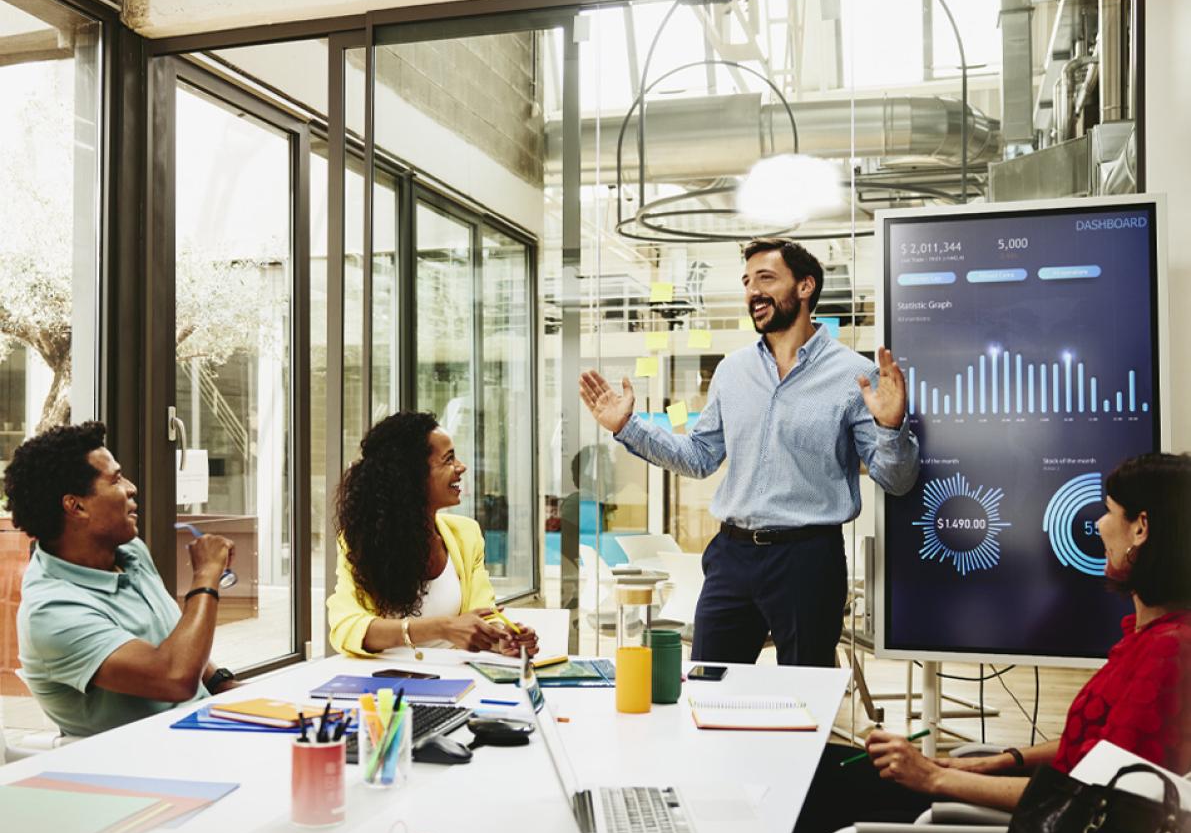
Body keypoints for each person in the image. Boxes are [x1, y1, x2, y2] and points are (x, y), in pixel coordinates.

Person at [764, 452, 1191, 833]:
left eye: (1108, 511)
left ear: (1141, 529)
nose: (1097, 525)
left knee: (818, 801)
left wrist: (938, 778)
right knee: (821, 771)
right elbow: (1096, 748)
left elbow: (1099, 807)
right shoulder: (1154, 638)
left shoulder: (1170, 655)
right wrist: (1000, 761)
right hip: (1044, 831)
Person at [580, 238, 920, 667]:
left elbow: (899, 479)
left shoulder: (854, 375)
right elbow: (700, 456)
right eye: (746, 282)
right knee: (711, 687)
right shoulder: (732, 370)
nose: (752, 292)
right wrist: (628, 427)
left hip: (808, 559)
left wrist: (891, 428)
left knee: (804, 696)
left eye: (766, 278)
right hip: (732, 557)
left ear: (805, 287)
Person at [7, 422, 238, 738]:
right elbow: (175, 677)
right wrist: (206, 576)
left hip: (202, 732)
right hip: (136, 762)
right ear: (76, 506)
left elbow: (176, 639)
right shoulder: (51, 612)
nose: (131, 488)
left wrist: (228, 685)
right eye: (115, 480)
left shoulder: (129, 550)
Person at [328, 411, 538, 658]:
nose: (461, 467)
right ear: (411, 476)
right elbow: (346, 627)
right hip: (385, 685)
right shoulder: (359, 540)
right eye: (448, 460)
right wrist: (441, 628)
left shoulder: (466, 534)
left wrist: (500, 639)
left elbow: (483, 614)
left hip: (458, 682)